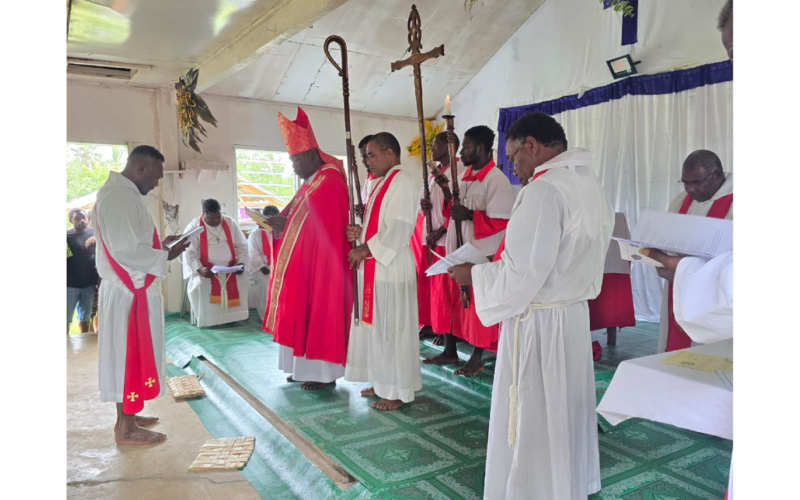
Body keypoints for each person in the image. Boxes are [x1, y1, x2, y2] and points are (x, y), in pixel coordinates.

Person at [449, 113, 613, 499]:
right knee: (564, 411)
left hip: (539, 324)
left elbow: (522, 276)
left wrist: (474, 275)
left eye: (512, 158)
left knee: (537, 414)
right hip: (571, 317)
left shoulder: (543, 191)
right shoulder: (588, 183)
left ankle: (536, 490)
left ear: (532, 147)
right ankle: (565, 485)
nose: (513, 169)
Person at [94, 145, 190, 444]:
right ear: (142, 168)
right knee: (127, 356)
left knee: (130, 356)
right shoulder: (120, 197)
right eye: (157, 177)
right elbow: (125, 250)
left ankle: (129, 416)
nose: (157, 183)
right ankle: (126, 428)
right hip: (128, 293)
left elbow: (130, 244)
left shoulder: (122, 194)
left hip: (131, 289)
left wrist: (161, 246)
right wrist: (165, 255)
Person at [263, 107, 352, 390]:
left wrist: (285, 224)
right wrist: (279, 223)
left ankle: (323, 375)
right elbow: (297, 217)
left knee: (319, 316)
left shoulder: (329, 180)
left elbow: (319, 224)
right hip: (305, 265)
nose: (293, 167)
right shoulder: (312, 182)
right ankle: (302, 369)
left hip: (323, 268)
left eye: (295, 160)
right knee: (301, 314)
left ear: (312, 155)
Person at [424, 125, 513, 377]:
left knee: (478, 306)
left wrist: (471, 215)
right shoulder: (464, 177)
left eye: (466, 146)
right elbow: (453, 211)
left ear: (481, 148)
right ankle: (450, 349)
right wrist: (444, 190)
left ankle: (477, 356)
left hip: (480, 254)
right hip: (458, 250)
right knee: (452, 302)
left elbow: (501, 220)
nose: (461, 152)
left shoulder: (496, 179)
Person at [344, 132, 422, 411]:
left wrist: (364, 249)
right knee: (377, 328)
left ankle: (397, 391)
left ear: (390, 154)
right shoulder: (382, 184)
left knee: (392, 329)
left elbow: (399, 228)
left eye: (371, 155)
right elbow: (376, 225)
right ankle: (381, 381)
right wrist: (358, 231)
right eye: (365, 156)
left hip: (391, 267)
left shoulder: (402, 182)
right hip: (377, 268)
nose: (366, 161)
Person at [656, 149, 732, 353]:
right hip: (680, 283)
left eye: (696, 183)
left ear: (717, 175)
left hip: (718, 293)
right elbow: (666, 236)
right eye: (685, 182)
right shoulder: (681, 201)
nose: (689, 189)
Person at [421, 132, 464, 345]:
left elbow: (458, 207)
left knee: (449, 291)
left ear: (450, 146)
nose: (432, 148)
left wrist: (442, 231)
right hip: (433, 239)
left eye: (437, 143)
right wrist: (423, 206)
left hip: (447, 239)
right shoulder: (431, 174)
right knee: (437, 291)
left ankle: (450, 333)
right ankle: (437, 326)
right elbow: (422, 205)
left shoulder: (459, 171)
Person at [182, 199, 250, 327]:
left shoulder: (229, 222)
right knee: (201, 285)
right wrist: (199, 269)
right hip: (207, 270)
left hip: (231, 269)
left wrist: (241, 264)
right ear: (204, 214)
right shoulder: (194, 226)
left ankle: (233, 317)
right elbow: (189, 252)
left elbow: (242, 245)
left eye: (218, 217)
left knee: (243, 281)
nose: (215, 221)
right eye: (211, 218)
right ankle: (209, 320)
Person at [587, 213, 636, 345]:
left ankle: (610, 335)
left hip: (599, 269)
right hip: (610, 265)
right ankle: (611, 336)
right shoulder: (616, 219)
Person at [67, 208, 99, 334]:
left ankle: (84, 346)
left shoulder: (94, 233)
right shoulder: (66, 237)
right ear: (71, 220)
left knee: (85, 318)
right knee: (66, 319)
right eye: (77, 219)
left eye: (83, 217)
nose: (82, 221)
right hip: (70, 285)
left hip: (89, 285)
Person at [247, 205, 280, 321]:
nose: (274, 219)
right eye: (271, 217)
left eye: (276, 217)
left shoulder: (279, 232)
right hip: (262, 269)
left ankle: (280, 318)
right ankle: (267, 319)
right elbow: (252, 253)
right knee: (264, 292)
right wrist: (262, 267)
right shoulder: (255, 234)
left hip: (278, 267)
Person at [357, 134, 375, 220]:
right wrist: (362, 209)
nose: (364, 160)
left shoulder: (388, 178)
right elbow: (366, 201)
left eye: (367, 156)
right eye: (363, 156)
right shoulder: (370, 176)